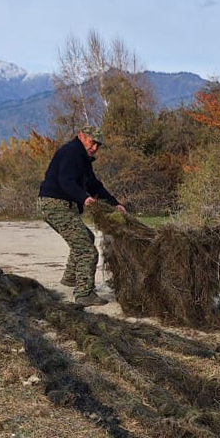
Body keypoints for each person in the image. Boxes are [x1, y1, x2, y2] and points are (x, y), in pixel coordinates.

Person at [37, 128, 125, 307]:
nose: (94, 148)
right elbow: (65, 181)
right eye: (91, 142)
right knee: (86, 250)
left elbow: (94, 185)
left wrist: (115, 203)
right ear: (81, 136)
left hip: (59, 205)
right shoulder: (71, 152)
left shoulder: (82, 159)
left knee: (86, 238)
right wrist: (83, 198)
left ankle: (70, 280)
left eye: (97, 145)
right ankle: (84, 294)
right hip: (55, 205)